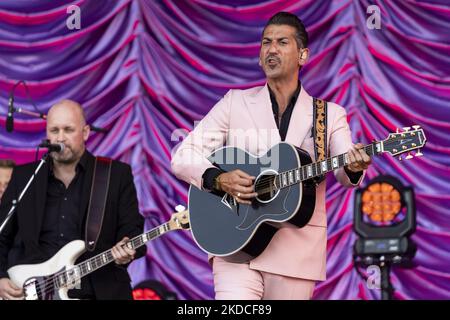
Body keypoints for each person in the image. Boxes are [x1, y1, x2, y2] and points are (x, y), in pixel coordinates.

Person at [171, 12, 371, 299]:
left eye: (282, 42)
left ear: (303, 55)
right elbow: (183, 156)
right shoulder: (234, 102)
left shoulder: (329, 115)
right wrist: (218, 178)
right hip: (235, 247)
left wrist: (354, 166)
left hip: (295, 252)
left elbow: (344, 168)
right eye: (266, 43)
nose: (271, 49)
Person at [0, 100, 145, 300]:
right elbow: (2, 234)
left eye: (68, 130)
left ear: (85, 132)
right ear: (47, 134)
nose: (60, 137)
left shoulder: (115, 175)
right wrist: (0, 277)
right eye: (54, 130)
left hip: (98, 291)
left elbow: (132, 230)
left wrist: (127, 248)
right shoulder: (25, 177)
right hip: (36, 292)